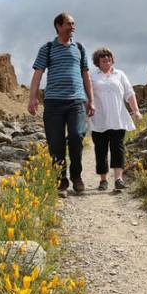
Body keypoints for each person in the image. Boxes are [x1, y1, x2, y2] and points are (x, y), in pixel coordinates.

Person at [28, 13, 95, 195]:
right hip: (53, 103)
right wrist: (32, 98)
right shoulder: (47, 48)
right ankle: (61, 182)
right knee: (55, 144)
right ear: (58, 26)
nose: (72, 26)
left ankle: (77, 177)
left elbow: (86, 75)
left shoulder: (79, 48)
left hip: (76, 101)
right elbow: (38, 75)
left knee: (76, 136)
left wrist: (91, 100)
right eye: (68, 24)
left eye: (74, 23)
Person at [89, 47, 143, 191]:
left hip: (118, 118)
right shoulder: (92, 76)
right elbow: (88, 95)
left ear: (112, 59)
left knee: (118, 149)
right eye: (103, 57)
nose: (106, 59)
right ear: (97, 61)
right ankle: (103, 180)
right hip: (99, 119)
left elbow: (129, 93)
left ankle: (118, 179)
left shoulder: (120, 74)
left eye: (109, 57)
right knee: (100, 150)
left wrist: (136, 111)